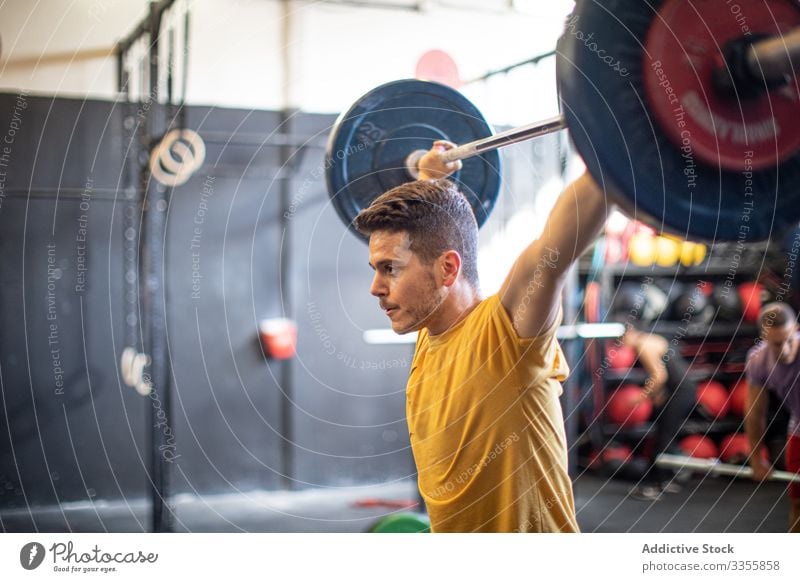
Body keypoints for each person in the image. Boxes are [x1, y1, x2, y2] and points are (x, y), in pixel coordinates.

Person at [353, 140, 611, 532]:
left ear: (447, 270)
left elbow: (557, 245)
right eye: (376, 268)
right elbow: (438, 229)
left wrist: (623, 148)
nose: (375, 287)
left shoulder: (506, 336)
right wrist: (432, 179)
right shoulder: (432, 329)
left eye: (389, 269)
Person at [615, 324, 696, 501]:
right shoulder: (651, 339)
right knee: (665, 436)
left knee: (663, 437)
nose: (621, 345)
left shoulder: (643, 344)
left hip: (681, 392)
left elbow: (659, 376)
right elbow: (667, 372)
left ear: (630, 333)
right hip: (683, 391)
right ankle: (665, 480)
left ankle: (654, 485)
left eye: (621, 340)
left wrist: (640, 398)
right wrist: (657, 395)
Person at [744, 302, 800, 533]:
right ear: (764, 337)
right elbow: (755, 412)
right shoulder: (758, 361)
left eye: (789, 340)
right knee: (797, 503)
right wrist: (757, 457)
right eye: (777, 344)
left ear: (796, 328)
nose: (786, 350)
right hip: (798, 426)